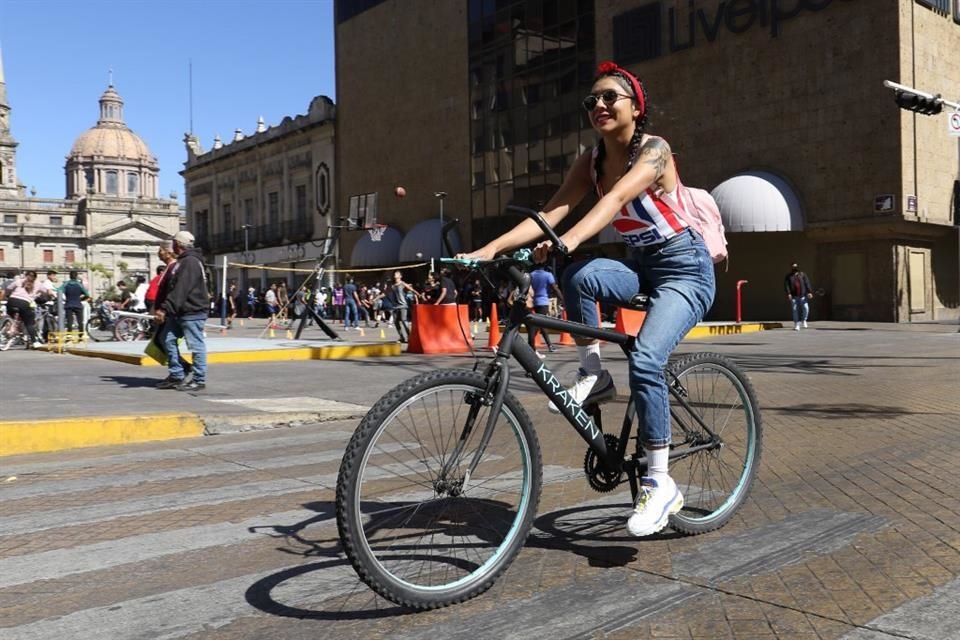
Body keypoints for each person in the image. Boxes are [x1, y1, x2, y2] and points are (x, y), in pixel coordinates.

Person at [460, 61, 715, 537]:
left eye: (609, 98)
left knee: (646, 361)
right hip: (641, 264)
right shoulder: (591, 159)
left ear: (636, 108)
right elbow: (551, 210)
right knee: (580, 279)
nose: (598, 105)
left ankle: (660, 483)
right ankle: (593, 376)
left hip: (686, 268)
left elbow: (617, 199)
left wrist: (570, 239)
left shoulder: (654, 151)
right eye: (591, 100)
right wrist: (487, 250)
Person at [155, 231, 210, 391]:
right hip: (180, 311)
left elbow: (181, 289)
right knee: (167, 339)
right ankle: (177, 374)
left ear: (177, 244)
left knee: (195, 345)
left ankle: (199, 379)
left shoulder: (190, 262)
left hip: (192, 311)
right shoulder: (183, 262)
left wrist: (165, 308)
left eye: (173, 242)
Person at [528, 261, 563, 354]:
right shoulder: (548, 275)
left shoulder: (531, 275)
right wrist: (562, 299)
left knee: (541, 324)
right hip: (543, 302)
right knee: (537, 325)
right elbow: (555, 288)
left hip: (533, 301)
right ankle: (531, 346)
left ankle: (549, 345)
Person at [4, 271, 45, 348]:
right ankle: (34, 342)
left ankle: (11, 326)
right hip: (24, 304)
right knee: (29, 323)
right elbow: (48, 292)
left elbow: (8, 289)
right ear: (35, 278)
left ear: (25, 275)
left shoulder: (19, 281)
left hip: (11, 301)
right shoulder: (38, 284)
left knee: (11, 316)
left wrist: (8, 295)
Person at [390, 270, 419, 343]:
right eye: (395, 274)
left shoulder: (402, 283)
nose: (395, 275)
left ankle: (410, 336)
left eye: (397, 274)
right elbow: (385, 293)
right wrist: (376, 298)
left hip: (403, 305)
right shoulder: (393, 286)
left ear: (400, 276)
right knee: (396, 322)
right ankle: (402, 337)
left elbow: (411, 289)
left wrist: (418, 294)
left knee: (403, 320)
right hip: (395, 306)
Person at [784, 263, 814, 331]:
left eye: (796, 267)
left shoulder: (802, 275)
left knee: (806, 308)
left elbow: (807, 283)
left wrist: (809, 292)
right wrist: (788, 293)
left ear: (798, 267)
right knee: (795, 310)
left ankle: (804, 320)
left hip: (803, 295)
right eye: (793, 267)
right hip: (794, 296)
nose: (794, 268)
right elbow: (787, 286)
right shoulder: (788, 276)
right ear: (791, 268)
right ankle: (797, 324)